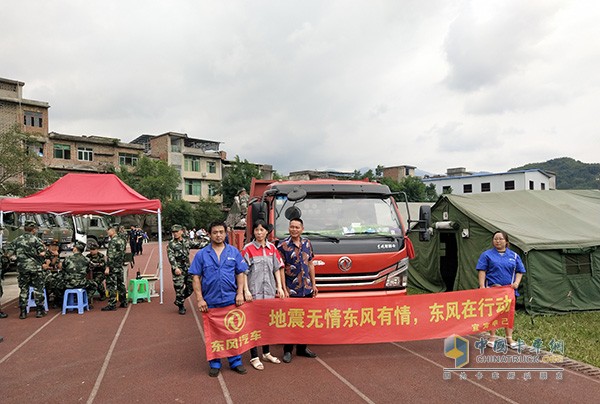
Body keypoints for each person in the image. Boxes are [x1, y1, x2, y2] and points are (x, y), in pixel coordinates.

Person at [190, 221, 249, 377]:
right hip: (211, 301)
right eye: (215, 232)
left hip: (231, 299)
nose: (218, 235)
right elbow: (196, 277)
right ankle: (215, 363)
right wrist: (200, 299)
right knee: (213, 334)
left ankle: (235, 361)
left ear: (225, 233)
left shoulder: (234, 252)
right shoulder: (202, 254)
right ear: (209, 234)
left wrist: (240, 293)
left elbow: (240, 273)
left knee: (233, 332)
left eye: (221, 232)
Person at [242, 220, 285, 370]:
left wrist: (279, 287)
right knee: (253, 325)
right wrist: (245, 290)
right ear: (253, 232)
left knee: (266, 324)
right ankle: (254, 356)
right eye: (256, 230)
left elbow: (277, 269)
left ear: (267, 232)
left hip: (269, 293)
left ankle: (266, 353)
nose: (259, 233)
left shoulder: (272, 248)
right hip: (254, 293)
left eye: (262, 230)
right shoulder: (248, 249)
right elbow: (243, 272)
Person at [277, 217, 318, 363]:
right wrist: (283, 288)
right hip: (291, 290)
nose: (294, 229)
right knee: (292, 320)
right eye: (291, 227)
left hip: (306, 289)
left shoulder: (307, 243)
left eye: (297, 227)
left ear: (302, 228)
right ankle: (288, 350)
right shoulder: (282, 246)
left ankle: (302, 348)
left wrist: (314, 284)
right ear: (289, 228)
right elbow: (280, 268)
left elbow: (311, 264)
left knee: (305, 320)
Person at [477, 230, 526, 349]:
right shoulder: (487, 255)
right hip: (493, 289)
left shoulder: (514, 256)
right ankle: (492, 336)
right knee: (492, 313)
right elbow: (482, 270)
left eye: (500, 239)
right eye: (495, 239)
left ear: (506, 241)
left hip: (508, 291)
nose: (497, 241)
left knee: (508, 314)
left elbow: (520, 271)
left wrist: (516, 283)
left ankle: (509, 338)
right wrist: (482, 286)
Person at [13, 220, 47, 319]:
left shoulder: (17, 240)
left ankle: (23, 312)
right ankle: (39, 311)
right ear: (33, 229)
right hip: (35, 268)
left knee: (24, 289)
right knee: (38, 289)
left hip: (22, 268)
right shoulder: (36, 240)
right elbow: (42, 253)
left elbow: (9, 253)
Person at [167, 224, 203, 315]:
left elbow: (198, 244)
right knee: (179, 288)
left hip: (187, 267)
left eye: (177, 231)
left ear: (181, 232)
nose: (175, 234)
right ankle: (181, 306)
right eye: (173, 232)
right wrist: (175, 268)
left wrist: (210, 241)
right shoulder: (171, 244)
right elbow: (171, 257)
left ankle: (179, 299)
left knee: (191, 286)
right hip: (178, 268)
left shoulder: (186, 242)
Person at [61, 242, 98, 308]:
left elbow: (63, 270)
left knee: (58, 283)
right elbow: (92, 267)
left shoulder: (67, 258)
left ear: (75, 249)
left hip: (68, 283)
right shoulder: (86, 259)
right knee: (94, 285)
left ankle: (63, 302)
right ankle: (85, 300)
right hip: (81, 283)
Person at [102, 227, 127, 311]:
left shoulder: (113, 241)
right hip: (119, 265)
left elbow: (111, 256)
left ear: (112, 231)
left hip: (113, 266)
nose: (107, 232)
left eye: (108, 231)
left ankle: (112, 304)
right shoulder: (121, 240)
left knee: (112, 285)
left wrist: (107, 267)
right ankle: (124, 301)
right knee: (121, 284)